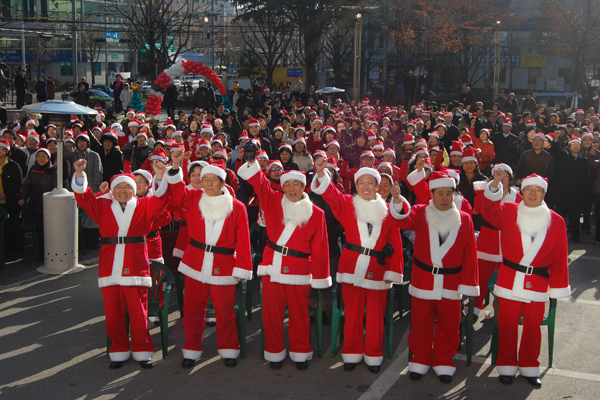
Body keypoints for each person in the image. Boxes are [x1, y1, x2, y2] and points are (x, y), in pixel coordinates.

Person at [238, 142, 331, 370]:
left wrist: (320, 279)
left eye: (296, 184)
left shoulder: (316, 213)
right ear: (282, 186)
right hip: (272, 265)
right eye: (286, 184)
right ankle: (275, 352)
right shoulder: (271, 199)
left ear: (303, 187)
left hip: (300, 269)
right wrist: (251, 160)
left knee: (300, 315)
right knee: (272, 314)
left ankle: (300, 351)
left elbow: (321, 248)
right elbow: (258, 182)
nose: (291, 188)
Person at [71, 158, 171, 369]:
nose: (123, 191)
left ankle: (142, 349)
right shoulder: (103, 206)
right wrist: (80, 175)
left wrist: (160, 176)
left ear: (134, 191)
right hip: (110, 265)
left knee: (138, 311)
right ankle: (118, 349)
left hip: (136, 264)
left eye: (128, 187)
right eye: (119, 187)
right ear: (113, 191)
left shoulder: (144, 205)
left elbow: (161, 200)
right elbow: (84, 198)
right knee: (113, 311)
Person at [311, 160, 404, 373]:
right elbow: (330, 193)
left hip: (379, 269)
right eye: (361, 182)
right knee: (352, 314)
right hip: (351, 266)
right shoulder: (347, 203)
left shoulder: (389, 210)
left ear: (378, 186)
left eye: (370, 182)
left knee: (375, 316)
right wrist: (320, 171)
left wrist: (393, 270)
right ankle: (351, 352)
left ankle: (373, 354)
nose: (365, 186)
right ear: (355, 185)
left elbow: (395, 242)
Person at [480, 172, 570, 387]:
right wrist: (494, 186)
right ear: (522, 191)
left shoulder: (556, 221)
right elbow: (489, 212)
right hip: (510, 278)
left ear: (544, 193)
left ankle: (530, 366)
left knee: (532, 326)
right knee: (508, 324)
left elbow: (559, 257)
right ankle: (506, 365)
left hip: (538, 282)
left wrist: (557, 287)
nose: (532, 193)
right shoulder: (510, 210)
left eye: (537, 190)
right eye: (529, 189)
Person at [389, 171, 479, 384]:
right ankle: (419, 359)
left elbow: (470, 253)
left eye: (449, 193)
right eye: (440, 193)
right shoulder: (420, 212)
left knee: (449, 325)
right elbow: (402, 220)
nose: (445, 198)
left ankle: (443, 361)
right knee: (420, 324)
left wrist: (468, 283)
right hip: (423, 280)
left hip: (452, 283)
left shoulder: (464, 219)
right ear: (432, 194)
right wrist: (396, 199)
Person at [167, 151, 252, 368]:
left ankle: (229, 348)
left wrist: (242, 269)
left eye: (213, 180)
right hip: (195, 263)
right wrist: (176, 166)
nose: (208, 183)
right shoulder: (194, 198)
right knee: (193, 310)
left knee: (224, 312)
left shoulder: (238, 207)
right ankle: (191, 349)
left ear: (223, 182)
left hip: (224, 266)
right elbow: (177, 193)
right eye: (205, 180)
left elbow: (243, 241)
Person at [472, 164, 522, 317]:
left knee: (505, 278)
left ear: (511, 177)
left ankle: (499, 308)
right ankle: (475, 305)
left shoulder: (518, 197)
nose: (502, 177)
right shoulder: (486, 193)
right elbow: (479, 210)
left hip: (508, 240)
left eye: (505, 174)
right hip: (488, 238)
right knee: (482, 274)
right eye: (498, 174)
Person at [18, 148, 56, 261]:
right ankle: (42, 254)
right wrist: (23, 197)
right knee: (40, 230)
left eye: (43, 156)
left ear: (48, 158)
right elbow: (27, 186)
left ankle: (53, 252)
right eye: (39, 156)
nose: (41, 158)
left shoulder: (53, 171)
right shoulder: (33, 170)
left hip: (50, 206)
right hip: (36, 204)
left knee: (50, 231)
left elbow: (55, 189)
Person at [556, 136, 589, 243]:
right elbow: (556, 151)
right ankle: (558, 234)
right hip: (563, 191)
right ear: (569, 147)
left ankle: (575, 234)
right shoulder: (564, 157)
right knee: (560, 215)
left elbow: (585, 178)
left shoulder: (584, 160)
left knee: (575, 215)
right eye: (573, 145)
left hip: (577, 193)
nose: (575, 147)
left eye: (578, 145)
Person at [0, 139, 23, 260]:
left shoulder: (14, 165)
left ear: (6, 150)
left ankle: (15, 252)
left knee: (13, 227)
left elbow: (19, 184)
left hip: (11, 201)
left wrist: (6, 194)